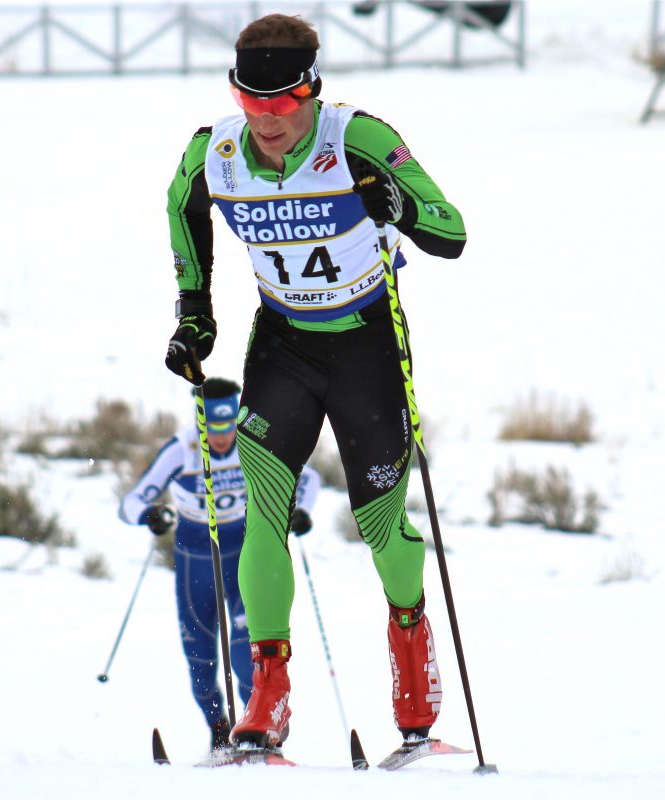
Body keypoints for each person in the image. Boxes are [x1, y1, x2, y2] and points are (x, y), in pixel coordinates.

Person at [162, 14, 466, 749]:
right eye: (250, 102)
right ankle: (268, 693)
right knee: (262, 518)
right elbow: (182, 208)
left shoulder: (355, 138)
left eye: (283, 101)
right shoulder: (216, 153)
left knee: (379, 527)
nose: (267, 120)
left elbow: (450, 231)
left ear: (311, 91)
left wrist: (400, 208)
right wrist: (194, 314)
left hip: (367, 347)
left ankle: (411, 651)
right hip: (284, 346)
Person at [118, 377, 321, 751]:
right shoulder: (181, 450)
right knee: (199, 660)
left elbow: (308, 479)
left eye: (228, 427)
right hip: (197, 561)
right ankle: (218, 731)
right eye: (213, 428)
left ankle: (258, 728)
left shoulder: (253, 437)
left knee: (249, 656)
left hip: (242, 555)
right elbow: (129, 505)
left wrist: (301, 513)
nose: (223, 437)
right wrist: (151, 515)